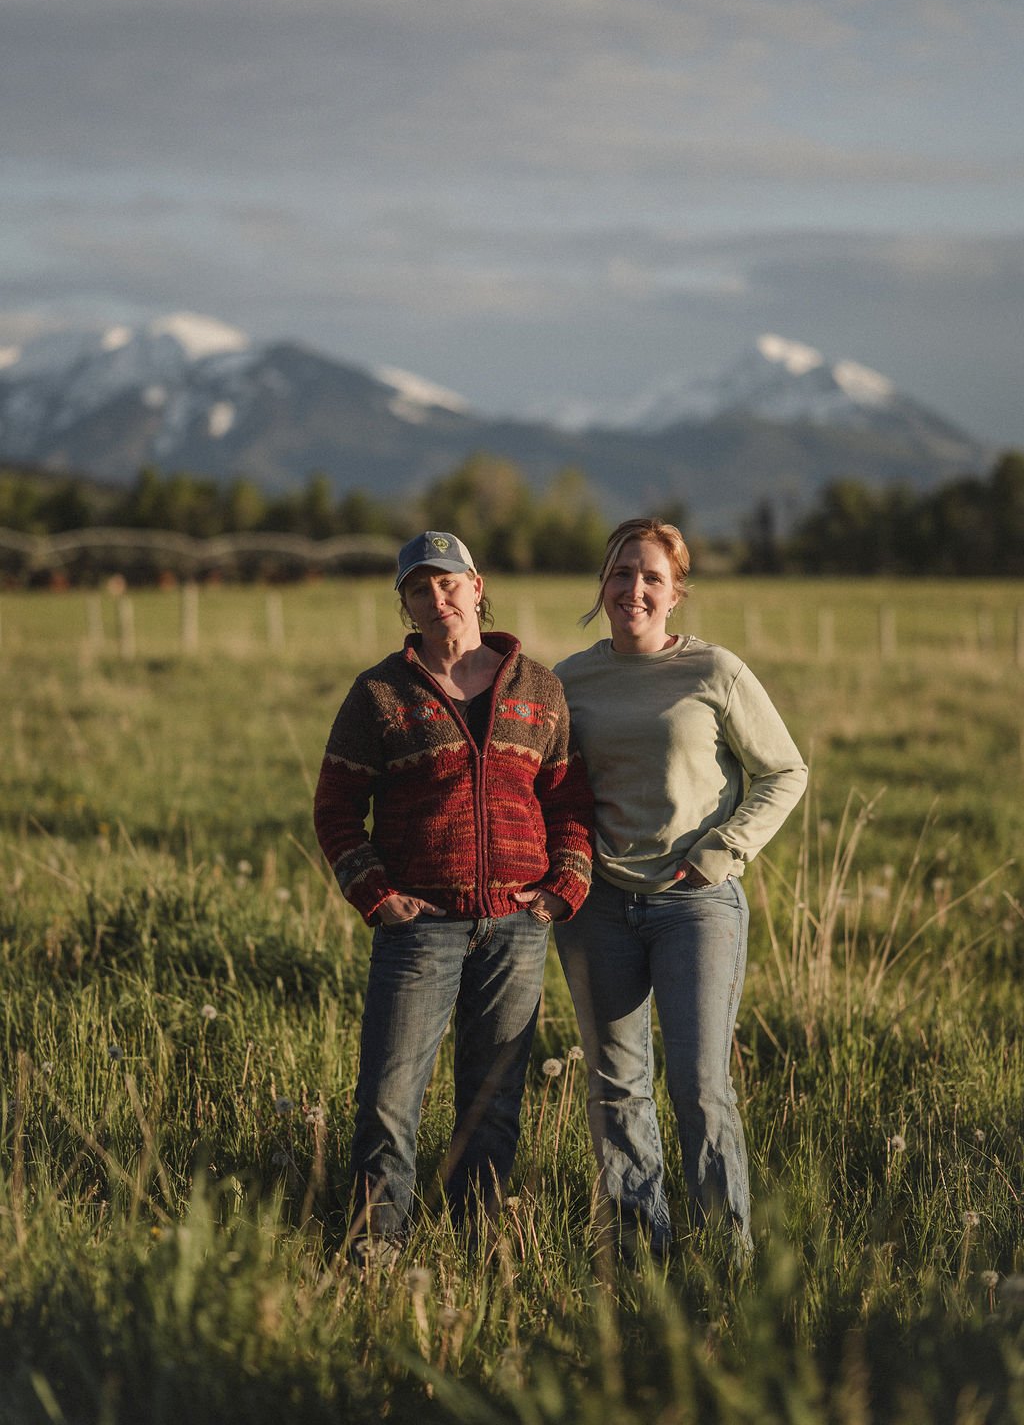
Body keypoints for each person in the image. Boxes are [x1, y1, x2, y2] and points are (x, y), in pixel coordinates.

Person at [314, 530, 593, 1262]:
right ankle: (378, 1245)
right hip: (419, 925)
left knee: (493, 1097)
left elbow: (568, 799)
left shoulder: (538, 687)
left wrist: (563, 885)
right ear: (405, 603)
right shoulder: (379, 693)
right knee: (389, 1094)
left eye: (448, 582)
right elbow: (336, 807)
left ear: (477, 586)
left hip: (517, 923)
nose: (437, 597)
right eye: (419, 587)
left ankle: (479, 1239)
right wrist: (378, 895)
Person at [553, 517, 807, 1257]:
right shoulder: (568, 681)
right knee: (616, 1086)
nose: (633, 588)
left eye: (651, 577)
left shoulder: (715, 671)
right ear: (602, 584)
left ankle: (725, 1252)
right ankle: (640, 1247)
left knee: (699, 1086)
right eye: (620, 573)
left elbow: (785, 770)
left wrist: (723, 850)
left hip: (695, 905)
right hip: (599, 906)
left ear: (676, 593)